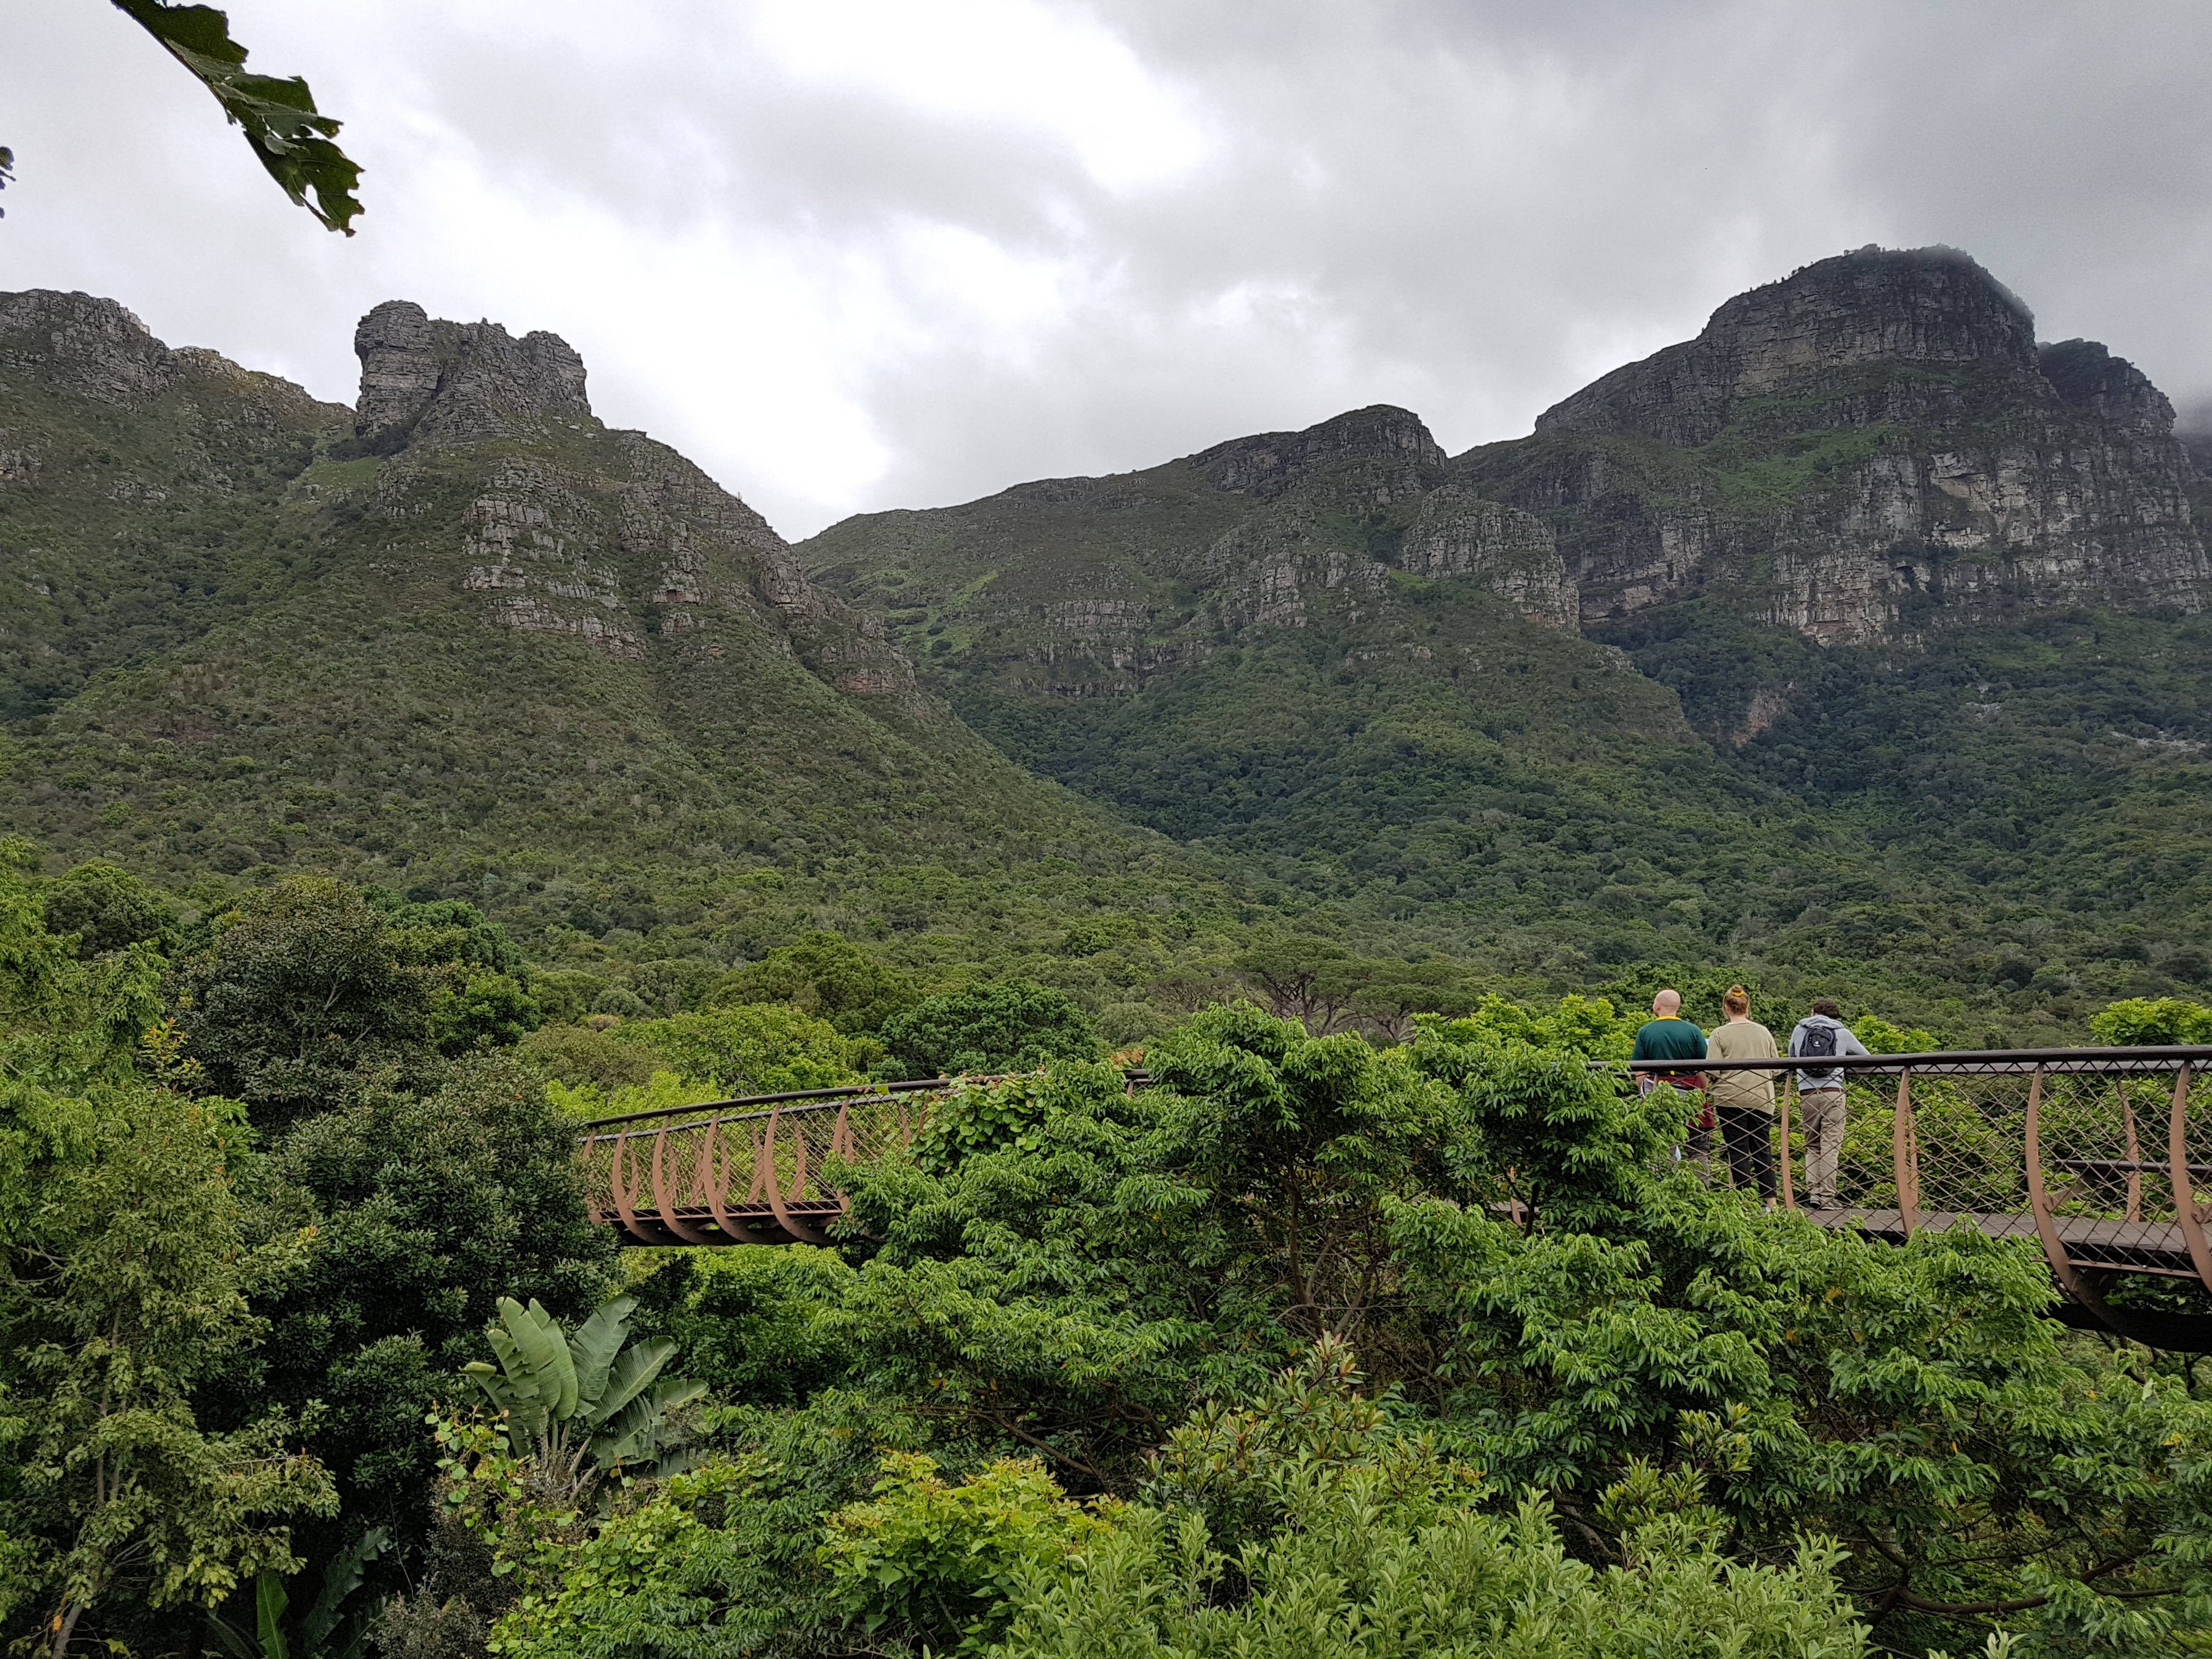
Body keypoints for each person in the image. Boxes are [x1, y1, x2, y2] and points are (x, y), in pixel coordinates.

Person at [1789, 997, 1870, 1207]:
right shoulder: (1842, 1033)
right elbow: (1867, 1058)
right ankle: (1827, 1197)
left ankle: (1814, 1195)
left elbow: (1791, 1057)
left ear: (1813, 1013)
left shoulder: (1800, 1031)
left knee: (1813, 1147)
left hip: (1807, 1094)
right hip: (1833, 1092)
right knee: (1830, 1147)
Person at [1706, 985, 1778, 1203]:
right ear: (1748, 1007)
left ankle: (1743, 1203)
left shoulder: (1719, 1034)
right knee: (1762, 1149)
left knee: (1737, 1151)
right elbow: (1776, 1069)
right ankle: (1771, 1204)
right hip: (1761, 1098)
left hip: (1730, 1100)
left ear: (1726, 1007)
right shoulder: (1763, 1032)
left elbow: (1712, 1070)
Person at [1631, 989, 1710, 1176]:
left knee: (1663, 1145)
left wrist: (1645, 1095)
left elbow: (1639, 1070)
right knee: (1697, 1149)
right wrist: (1703, 1094)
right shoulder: (1693, 1030)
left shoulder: (1646, 1031)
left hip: (1658, 1095)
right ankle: (1701, 1192)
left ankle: (1667, 1189)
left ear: (1657, 1006)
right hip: (1691, 1092)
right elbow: (1703, 1069)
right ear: (1678, 1007)